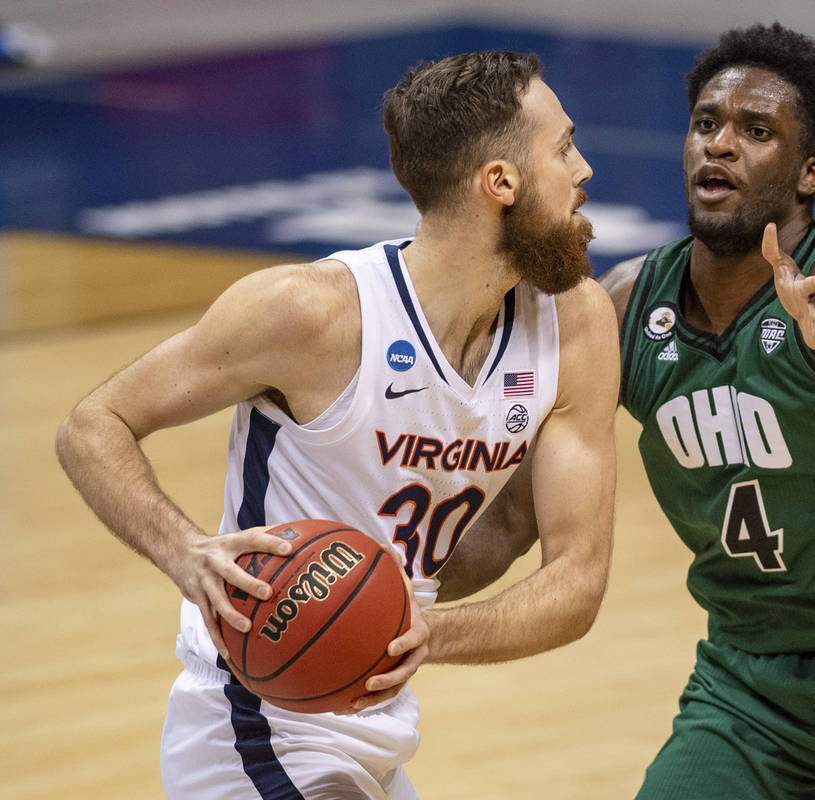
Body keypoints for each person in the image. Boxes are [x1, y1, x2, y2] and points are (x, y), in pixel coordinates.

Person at [442, 22, 815, 800]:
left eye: (755, 131)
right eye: (707, 124)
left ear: (809, 173)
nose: (720, 146)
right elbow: (507, 522)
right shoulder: (628, 309)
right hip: (756, 684)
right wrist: (391, 586)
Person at [55, 50, 618, 800]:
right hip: (252, 718)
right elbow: (94, 424)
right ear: (501, 183)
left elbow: (577, 581)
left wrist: (419, 627)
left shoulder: (574, 322)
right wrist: (184, 551)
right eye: (563, 148)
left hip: (373, 711)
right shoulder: (311, 313)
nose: (583, 169)